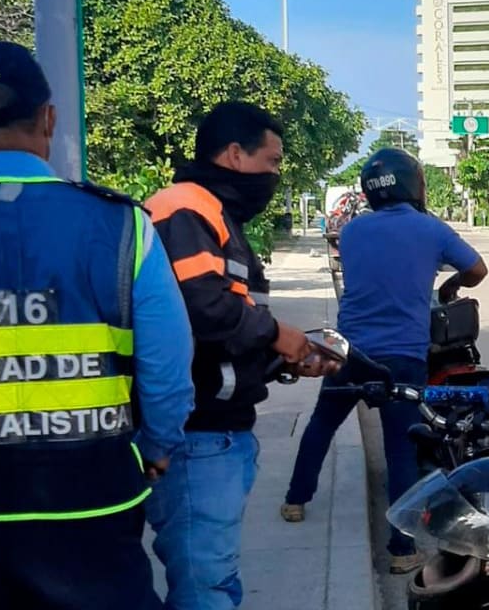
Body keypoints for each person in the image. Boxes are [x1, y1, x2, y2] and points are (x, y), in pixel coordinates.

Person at [0, 41, 195, 609]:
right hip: (93, 497)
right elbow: (168, 371)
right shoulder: (122, 227)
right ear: (48, 117)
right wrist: (154, 450)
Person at [144, 101, 332, 610]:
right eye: (271, 162)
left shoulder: (214, 211)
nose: (275, 175)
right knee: (206, 589)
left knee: (214, 579)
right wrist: (277, 335)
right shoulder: (185, 206)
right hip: (196, 436)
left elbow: (222, 333)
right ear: (234, 154)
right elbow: (203, 306)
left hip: (218, 432)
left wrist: (284, 360)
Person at [281, 148, 487, 574]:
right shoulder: (431, 229)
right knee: (400, 450)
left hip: (349, 349)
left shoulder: (353, 231)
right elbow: (477, 270)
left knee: (323, 422)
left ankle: (295, 501)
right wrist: (450, 284)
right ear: (413, 183)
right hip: (402, 355)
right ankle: (401, 549)